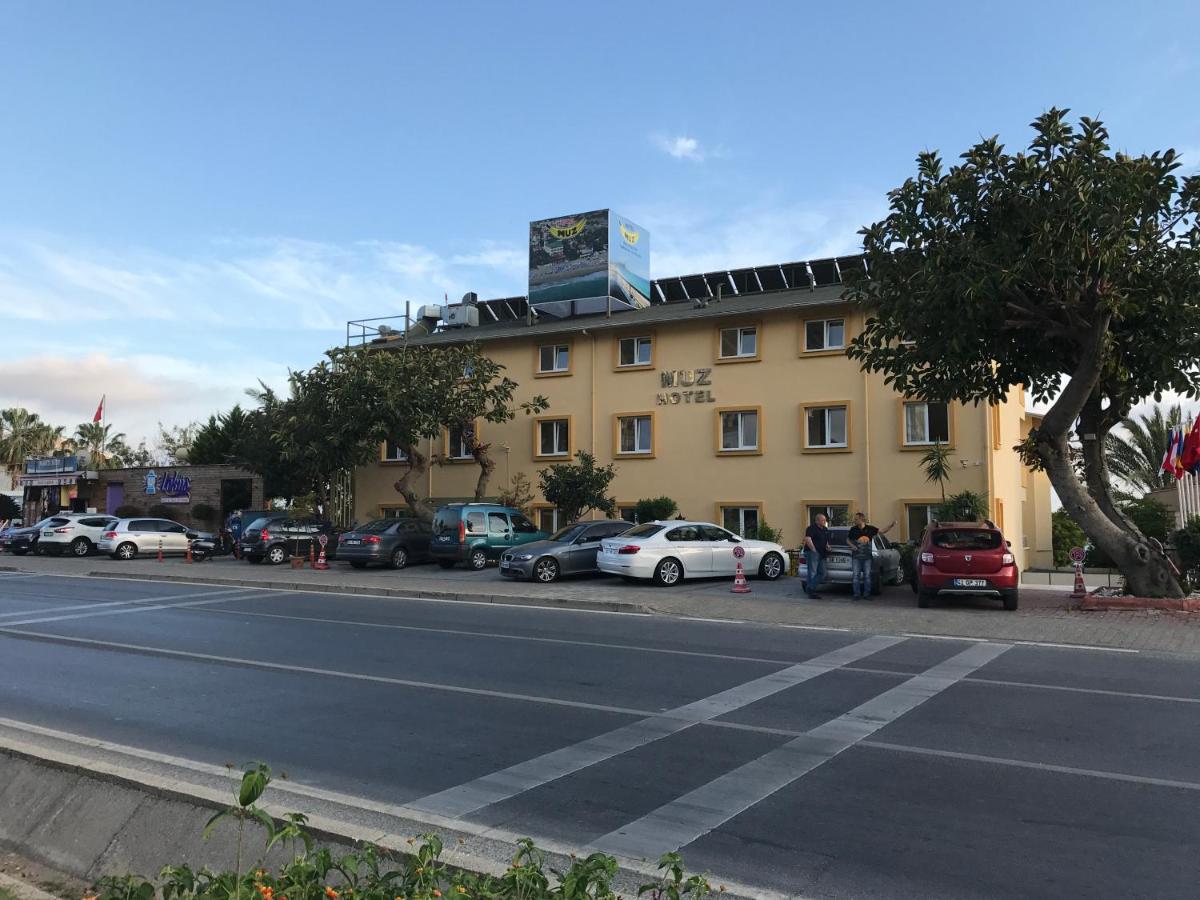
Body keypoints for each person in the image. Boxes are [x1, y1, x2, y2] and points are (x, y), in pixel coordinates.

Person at [846, 512, 896, 600]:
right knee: (856, 576)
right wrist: (852, 545)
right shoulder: (853, 529)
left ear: (862, 519)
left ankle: (867, 595)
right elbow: (847, 540)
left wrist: (891, 525)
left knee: (867, 576)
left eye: (856, 519)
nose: (855, 520)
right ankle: (856, 595)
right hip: (856, 557)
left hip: (867, 558)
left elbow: (882, 531)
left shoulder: (870, 529)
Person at [803, 514, 832, 599]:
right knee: (812, 572)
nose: (824, 521)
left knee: (823, 573)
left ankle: (810, 588)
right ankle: (811, 592)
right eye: (823, 520)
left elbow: (826, 541)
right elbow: (808, 539)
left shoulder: (825, 529)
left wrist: (828, 546)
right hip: (812, 553)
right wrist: (814, 550)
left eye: (825, 520)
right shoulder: (811, 528)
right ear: (817, 521)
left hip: (822, 553)